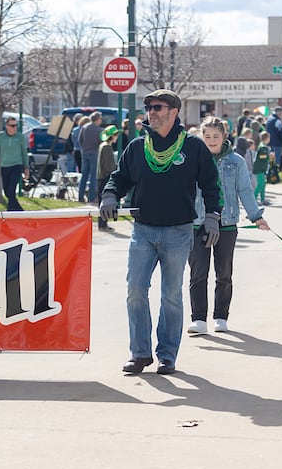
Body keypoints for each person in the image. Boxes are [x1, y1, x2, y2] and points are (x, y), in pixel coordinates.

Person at [99, 89, 222, 375]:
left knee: (170, 295)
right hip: (143, 231)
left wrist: (213, 216)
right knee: (135, 291)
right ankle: (140, 353)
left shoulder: (193, 147)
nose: (151, 111)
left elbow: (210, 184)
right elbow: (119, 178)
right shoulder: (137, 147)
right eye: (148, 107)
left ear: (173, 112)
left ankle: (167, 354)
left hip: (178, 232)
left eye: (157, 107)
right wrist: (109, 195)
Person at [187, 116, 269, 335]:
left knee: (224, 273)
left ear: (224, 137)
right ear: (201, 137)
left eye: (215, 136)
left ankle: (221, 316)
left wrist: (256, 216)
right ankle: (198, 319)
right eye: (207, 136)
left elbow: (245, 191)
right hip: (197, 224)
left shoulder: (236, 161)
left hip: (227, 224)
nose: (211, 140)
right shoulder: (192, 159)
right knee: (198, 273)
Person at [0, 117, 29, 211]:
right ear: (7, 126)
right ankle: (21, 212)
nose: (15, 127)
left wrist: (26, 168)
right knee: (7, 193)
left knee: (12, 191)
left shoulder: (20, 137)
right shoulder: (0, 136)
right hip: (5, 166)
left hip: (16, 166)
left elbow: (24, 153)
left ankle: (10, 213)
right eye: (12, 125)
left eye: (16, 125)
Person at [96, 125, 120, 231]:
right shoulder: (106, 147)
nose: (117, 137)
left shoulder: (104, 145)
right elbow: (108, 165)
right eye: (116, 135)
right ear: (112, 136)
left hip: (102, 176)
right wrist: (117, 168)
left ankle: (103, 223)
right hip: (105, 176)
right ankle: (102, 224)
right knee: (103, 201)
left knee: (102, 200)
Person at [78, 111, 103, 203]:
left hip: (84, 153)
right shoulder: (98, 130)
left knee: (84, 175)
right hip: (94, 152)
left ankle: (80, 196)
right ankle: (91, 197)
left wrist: (84, 148)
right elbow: (101, 142)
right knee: (93, 176)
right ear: (97, 119)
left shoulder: (84, 127)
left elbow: (80, 139)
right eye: (100, 118)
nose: (101, 120)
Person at [254, 131, 271, 205]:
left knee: (263, 184)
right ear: (267, 138)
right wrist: (269, 156)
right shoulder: (262, 147)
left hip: (263, 169)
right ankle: (253, 198)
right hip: (260, 168)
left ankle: (262, 199)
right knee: (260, 184)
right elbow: (262, 157)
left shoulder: (263, 146)